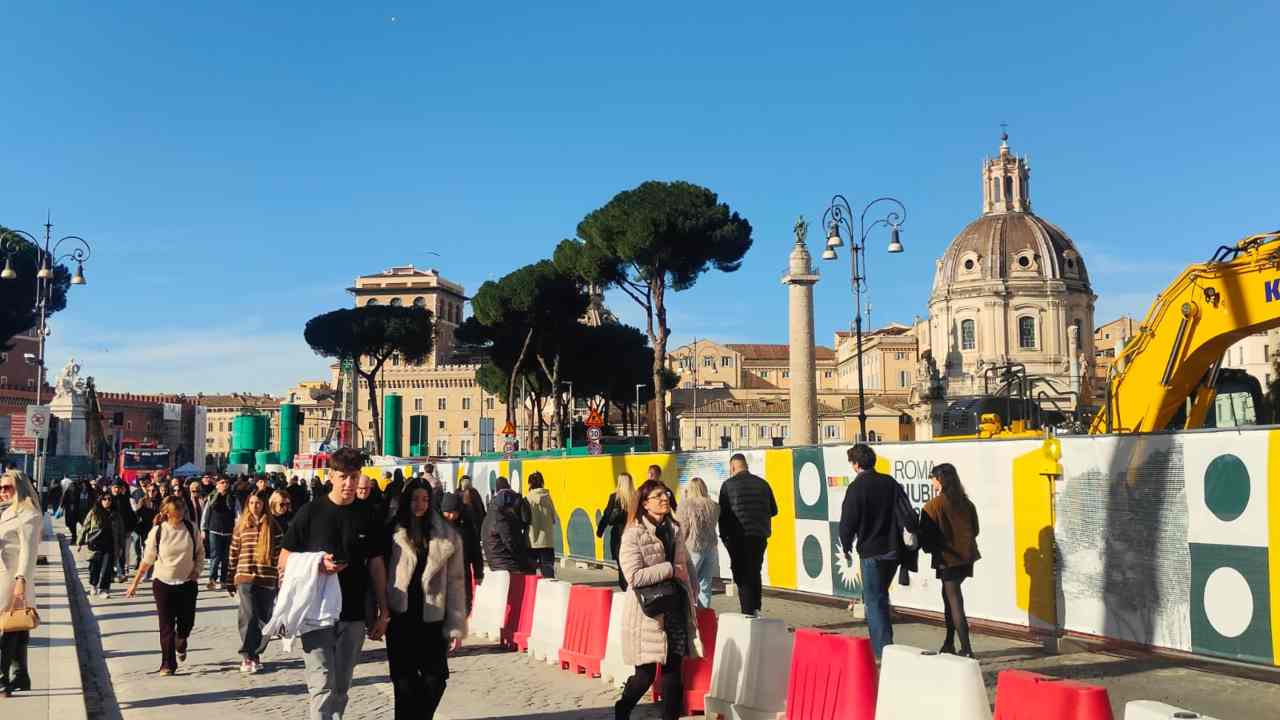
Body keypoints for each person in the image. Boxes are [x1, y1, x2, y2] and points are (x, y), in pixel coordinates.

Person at [279, 447, 390, 720]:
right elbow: (284, 558)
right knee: (321, 684)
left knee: (341, 685)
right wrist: (317, 564)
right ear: (331, 476)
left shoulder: (368, 514)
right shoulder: (310, 512)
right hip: (315, 613)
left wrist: (383, 611)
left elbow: (376, 564)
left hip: (353, 612)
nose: (349, 483)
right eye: (343, 477)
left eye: (354, 476)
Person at [614, 479, 701, 720]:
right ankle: (623, 707)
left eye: (666, 494)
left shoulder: (674, 528)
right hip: (648, 612)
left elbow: (685, 562)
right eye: (658, 496)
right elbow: (633, 576)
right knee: (645, 676)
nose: (664, 499)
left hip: (675, 608)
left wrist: (692, 586)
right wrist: (669, 570)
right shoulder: (633, 534)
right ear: (645, 503)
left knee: (674, 673)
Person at [385, 481, 467, 720]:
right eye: (414, 499)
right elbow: (377, 572)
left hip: (433, 618)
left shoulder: (447, 536)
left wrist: (456, 624)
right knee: (404, 683)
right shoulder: (392, 531)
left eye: (425, 499)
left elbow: (456, 582)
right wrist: (378, 611)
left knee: (436, 679)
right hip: (401, 616)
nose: (419, 504)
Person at [838, 443, 909, 658]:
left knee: (875, 601)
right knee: (880, 596)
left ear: (856, 464)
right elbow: (905, 511)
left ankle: (883, 650)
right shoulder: (890, 483)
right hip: (893, 549)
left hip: (871, 551)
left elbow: (848, 521)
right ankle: (884, 645)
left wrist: (846, 545)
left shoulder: (856, 487)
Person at [124, 496, 204, 675]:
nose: (180, 514)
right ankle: (167, 664)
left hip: (187, 583)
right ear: (167, 513)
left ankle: (181, 641)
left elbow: (200, 553)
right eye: (176, 512)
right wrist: (134, 584)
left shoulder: (191, 528)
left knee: (186, 624)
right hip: (163, 584)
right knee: (166, 626)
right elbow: (147, 560)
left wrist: (197, 571)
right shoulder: (158, 532)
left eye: (182, 510)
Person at [920, 463, 980, 658]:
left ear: (940, 480)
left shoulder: (933, 506)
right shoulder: (966, 503)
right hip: (966, 557)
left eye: (933, 478)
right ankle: (949, 642)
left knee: (954, 601)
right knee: (949, 598)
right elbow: (975, 530)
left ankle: (966, 648)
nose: (932, 481)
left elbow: (926, 538)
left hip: (948, 558)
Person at [224, 491, 284, 673]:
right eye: (251, 503)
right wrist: (230, 577)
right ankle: (247, 655)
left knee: (264, 619)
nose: (254, 506)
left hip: (267, 577)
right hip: (245, 576)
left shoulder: (274, 527)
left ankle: (255, 653)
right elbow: (233, 552)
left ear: (264, 505)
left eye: (258, 503)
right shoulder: (241, 525)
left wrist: (281, 580)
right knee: (249, 615)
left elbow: (279, 556)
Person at [717, 453, 777, 615]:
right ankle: (756, 608)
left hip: (737, 537)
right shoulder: (763, 484)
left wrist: (724, 538)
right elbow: (774, 510)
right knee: (755, 571)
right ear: (746, 465)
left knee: (741, 575)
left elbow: (723, 514)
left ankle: (748, 612)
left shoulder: (728, 485)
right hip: (759, 535)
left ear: (733, 467)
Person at [0, 470, 42, 695]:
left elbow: (28, 551)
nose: (3, 491)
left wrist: (21, 580)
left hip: (12, 578)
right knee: (16, 628)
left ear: (20, 487)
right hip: (4, 575)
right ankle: (20, 675)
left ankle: (2, 678)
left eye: (7, 487)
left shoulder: (29, 515)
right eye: (0, 488)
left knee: (7, 628)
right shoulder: (9, 511)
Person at [675, 477, 720, 608]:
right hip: (710, 548)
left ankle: (688, 613)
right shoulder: (714, 506)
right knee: (705, 585)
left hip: (692, 548)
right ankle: (703, 614)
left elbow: (682, 529)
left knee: (687, 583)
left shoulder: (686, 505)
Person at [439, 492, 483, 612]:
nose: (451, 516)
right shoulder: (437, 527)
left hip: (462, 572)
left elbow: (475, 550)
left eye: (454, 512)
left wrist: (478, 573)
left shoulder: (467, 525)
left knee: (464, 606)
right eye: (448, 512)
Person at [481, 477, 531, 573]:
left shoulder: (491, 511)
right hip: (505, 561)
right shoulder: (501, 516)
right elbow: (509, 540)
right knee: (528, 568)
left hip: (494, 559)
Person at [597, 473, 637, 590]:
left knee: (621, 565)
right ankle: (632, 588)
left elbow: (607, 515)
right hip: (634, 534)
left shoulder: (614, 497)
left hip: (619, 536)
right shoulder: (636, 497)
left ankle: (626, 589)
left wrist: (600, 530)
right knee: (632, 563)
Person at [82, 491, 123, 598]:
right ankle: (93, 585)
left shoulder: (116, 514)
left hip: (110, 544)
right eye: (105, 499)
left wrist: (121, 546)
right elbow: (85, 526)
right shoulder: (94, 512)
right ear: (100, 500)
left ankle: (104, 589)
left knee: (107, 568)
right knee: (94, 567)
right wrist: (80, 542)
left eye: (109, 499)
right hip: (96, 544)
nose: (107, 501)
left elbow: (120, 531)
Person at [204, 477, 236, 590]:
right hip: (214, 530)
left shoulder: (233, 497)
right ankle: (212, 579)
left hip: (229, 531)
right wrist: (203, 529)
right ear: (217, 485)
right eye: (222, 482)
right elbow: (206, 513)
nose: (224, 484)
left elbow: (238, 513)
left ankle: (223, 580)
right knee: (215, 556)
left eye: (226, 482)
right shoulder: (211, 497)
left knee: (226, 557)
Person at [525, 472, 557, 578]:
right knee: (548, 571)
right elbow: (553, 518)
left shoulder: (527, 498)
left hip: (531, 541)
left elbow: (524, 519)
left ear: (530, 484)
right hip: (547, 541)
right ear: (542, 482)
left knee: (530, 573)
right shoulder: (548, 498)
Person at [111, 482, 138, 581]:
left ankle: (121, 572)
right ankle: (112, 573)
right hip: (111, 531)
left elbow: (130, 514)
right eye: (115, 487)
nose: (116, 490)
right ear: (111, 488)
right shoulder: (107, 499)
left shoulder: (124, 499)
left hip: (124, 530)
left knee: (122, 553)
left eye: (118, 488)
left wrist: (130, 528)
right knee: (112, 553)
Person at [61, 478, 87, 545]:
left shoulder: (73, 490)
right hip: (74, 511)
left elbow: (64, 498)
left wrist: (62, 506)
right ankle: (78, 537)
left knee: (72, 525)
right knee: (76, 524)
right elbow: (64, 499)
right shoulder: (77, 490)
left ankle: (74, 538)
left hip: (73, 511)